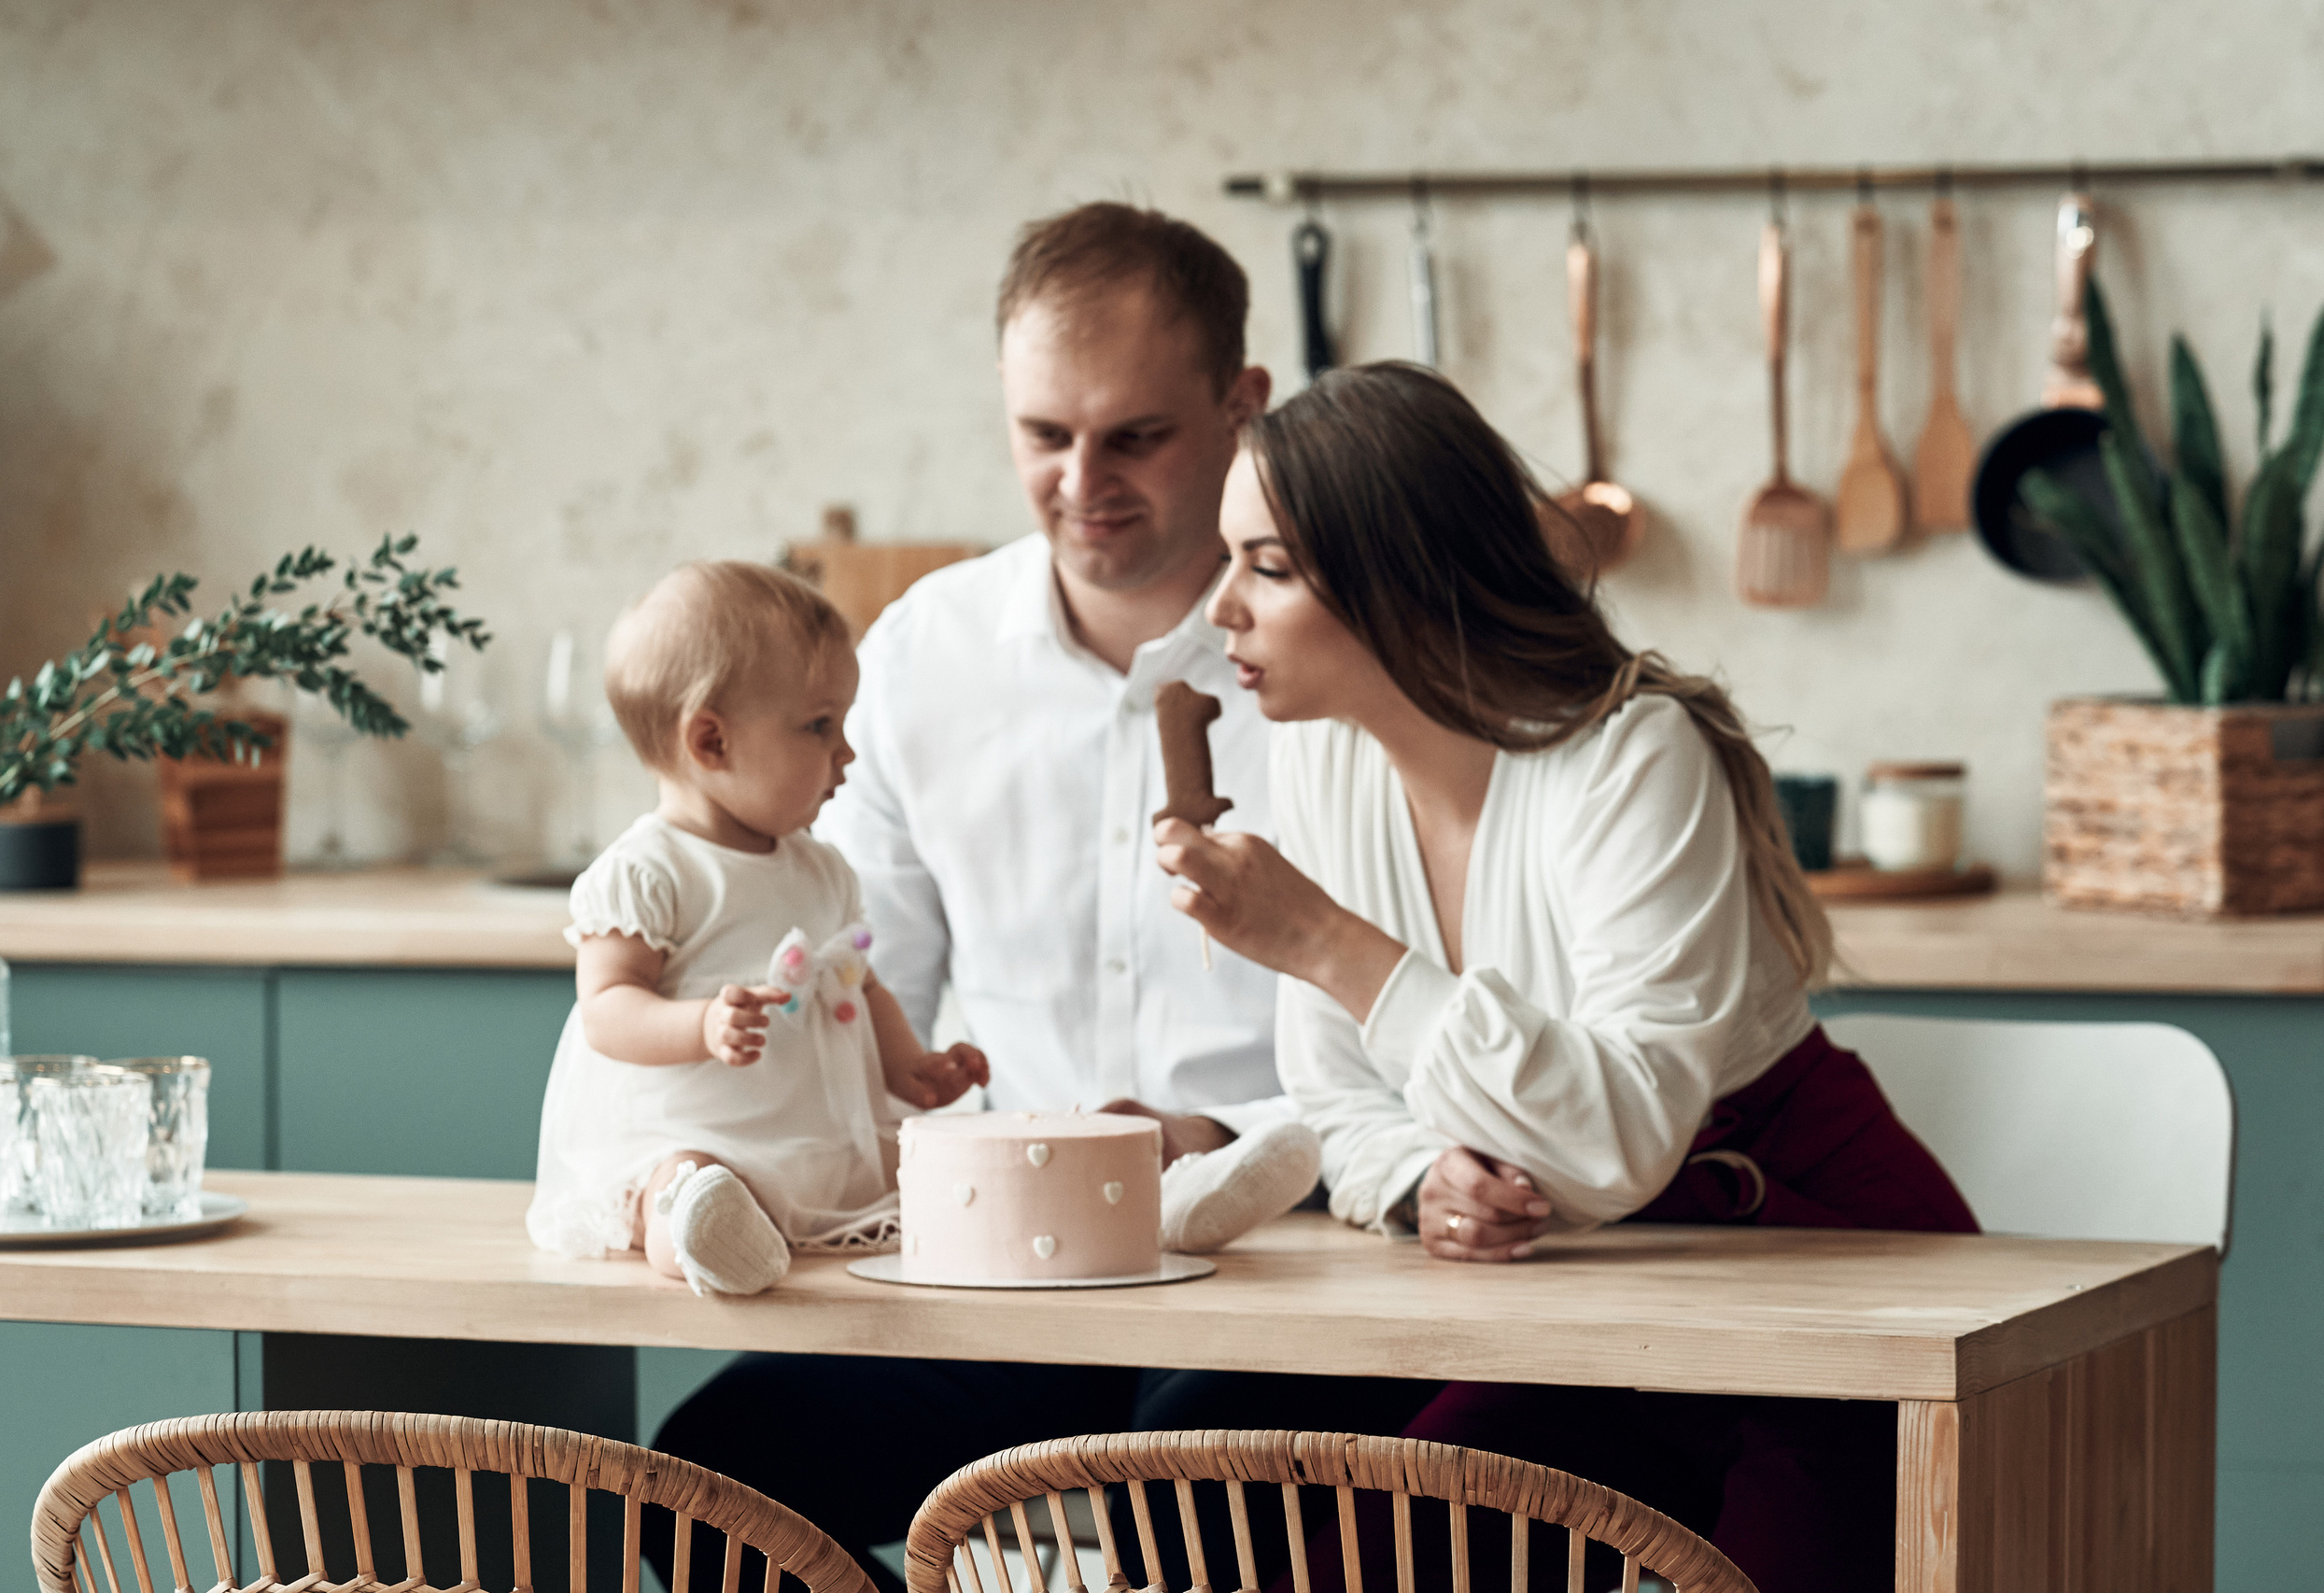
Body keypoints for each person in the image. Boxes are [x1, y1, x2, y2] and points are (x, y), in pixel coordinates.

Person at [647, 208, 1430, 1593]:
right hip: (996, 1262)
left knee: (1174, 1500)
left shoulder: (1345, 668)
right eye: (1044, 436)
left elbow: (1424, 1024)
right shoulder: (919, 657)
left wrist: (1212, 1134)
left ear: (1243, 407)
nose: (1083, 482)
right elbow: (855, 980)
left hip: (1286, 1260)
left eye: (1135, 436)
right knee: (705, 1488)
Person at [1155, 363, 1978, 1593]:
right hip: (1586, 1295)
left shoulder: (1636, 757)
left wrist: (1326, 940)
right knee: (1371, 1559)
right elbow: (1334, 1095)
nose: (1219, 607)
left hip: (1821, 1269)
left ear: (1401, 580)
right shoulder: (1326, 767)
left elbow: (1626, 1135)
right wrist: (1421, 1175)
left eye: (1266, 566)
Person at [525, 560, 989, 1296]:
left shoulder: (824, 871)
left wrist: (912, 1068)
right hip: (692, 1131)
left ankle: (747, 1224)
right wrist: (700, 1025)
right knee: (681, 1180)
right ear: (711, 742)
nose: (847, 753)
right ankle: (703, 1237)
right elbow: (607, 1011)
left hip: (809, 1137)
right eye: (819, 726)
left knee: (943, 1164)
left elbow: (858, 987)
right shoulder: (649, 871)